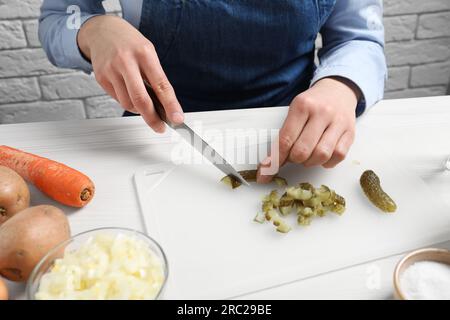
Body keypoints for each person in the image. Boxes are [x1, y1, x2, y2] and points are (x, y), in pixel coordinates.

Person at [39, 0, 386, 182]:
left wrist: (341, 86)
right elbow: (58, 17)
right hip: (157, 134)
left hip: (293, 137)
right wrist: (94, 29)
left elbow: (357, 38)